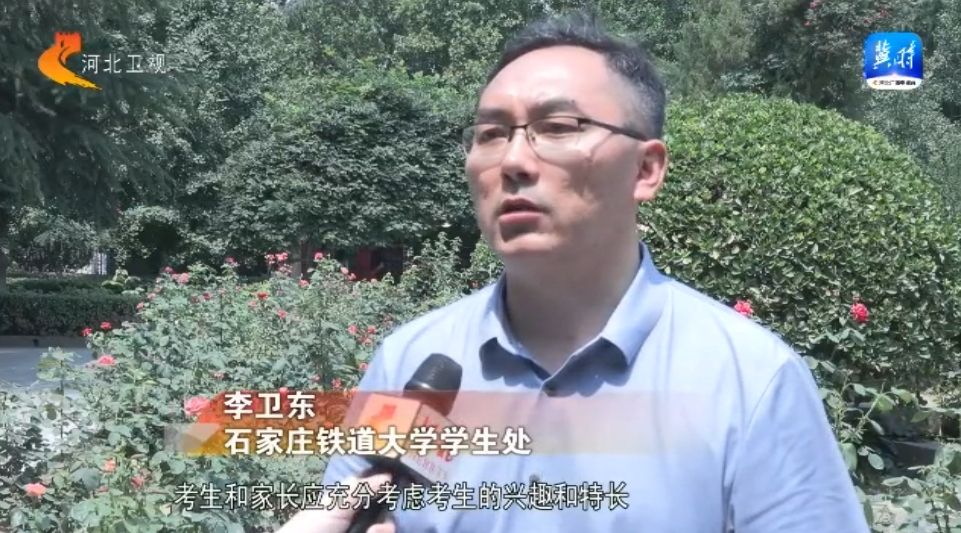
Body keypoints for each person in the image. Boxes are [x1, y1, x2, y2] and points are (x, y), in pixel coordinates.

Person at [280, 9, 871, 533]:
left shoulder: (751, 382)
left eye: (559, 128)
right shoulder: (409, 361)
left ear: (646, 169)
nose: (513, 160)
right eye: (490, 134)